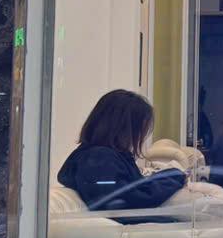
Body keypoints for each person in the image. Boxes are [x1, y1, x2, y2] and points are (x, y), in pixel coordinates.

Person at [57, 89, 186, 222]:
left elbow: (131, 192)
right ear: (125, 128)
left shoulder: (102, 157)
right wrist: (174, 177)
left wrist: (172, 175)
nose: (141, 136)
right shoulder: (100, 159)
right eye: (140, 129)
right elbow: (127, 201)